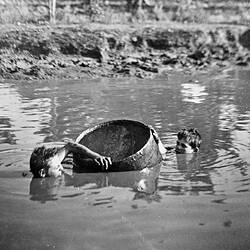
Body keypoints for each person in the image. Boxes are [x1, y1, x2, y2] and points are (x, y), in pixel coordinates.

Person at [30, 141, 112, 178]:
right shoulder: (50, 162)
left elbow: (70, 146)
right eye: (57, 168)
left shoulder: (53, 160)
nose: (62, 169)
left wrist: (95, 156)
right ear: (43, 173)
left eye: (60, 165)